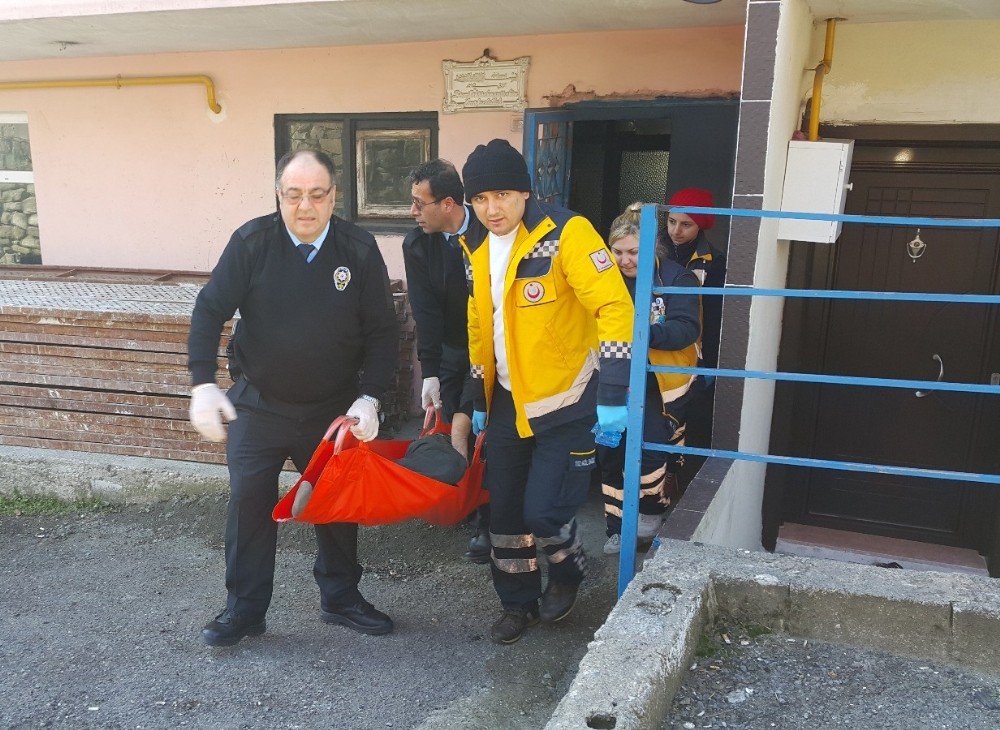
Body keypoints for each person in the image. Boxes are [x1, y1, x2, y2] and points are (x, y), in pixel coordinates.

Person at [187, 149, 400, 647]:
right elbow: (209, 308)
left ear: (334, 196)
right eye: (293, 194)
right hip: (260, 404)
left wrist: (370, 397)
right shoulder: (252, 242)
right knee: (249, 505)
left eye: (317, 194)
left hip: (333, 408)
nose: (305, 205)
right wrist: (201, 383)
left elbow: (383, 334)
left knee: (336, 507)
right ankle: (244, 609)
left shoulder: (359, 248)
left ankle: (342, 597)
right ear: (279, 195)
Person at [458, 139, 634, 644]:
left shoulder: (567, 233)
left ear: (525, 191)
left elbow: (614, 307)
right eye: (481, 198)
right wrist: (478, 395)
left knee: (545, 510)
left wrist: (614, 393)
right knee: (507, 514)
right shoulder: (473, 244)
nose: (493, 209)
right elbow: (479, 321)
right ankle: (516, 603)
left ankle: (568, 569)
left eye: (504, 195)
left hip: (568, 398)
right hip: (509, 400)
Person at [598, 203, 701, 555]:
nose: (625, 261)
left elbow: (687, 329)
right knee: (609, 450)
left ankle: (650, 515)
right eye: (618, 252)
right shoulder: (602, 280)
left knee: (649, 447)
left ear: (652, 248)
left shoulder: (676, 278)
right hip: (611, 378)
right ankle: (616, 527)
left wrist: (642, 334)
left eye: (633, 252)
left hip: (660, 381)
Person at [403, 158, 490, 563]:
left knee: (491, 432)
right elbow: (425, 309)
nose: (413, 212)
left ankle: (490, 520)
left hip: (498, 349)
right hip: (456, 348)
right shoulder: (417, 244)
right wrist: (431, 371)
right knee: (458, 423)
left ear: (450, 203)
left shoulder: (490, 231)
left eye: (421, 203)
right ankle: (461, 500)